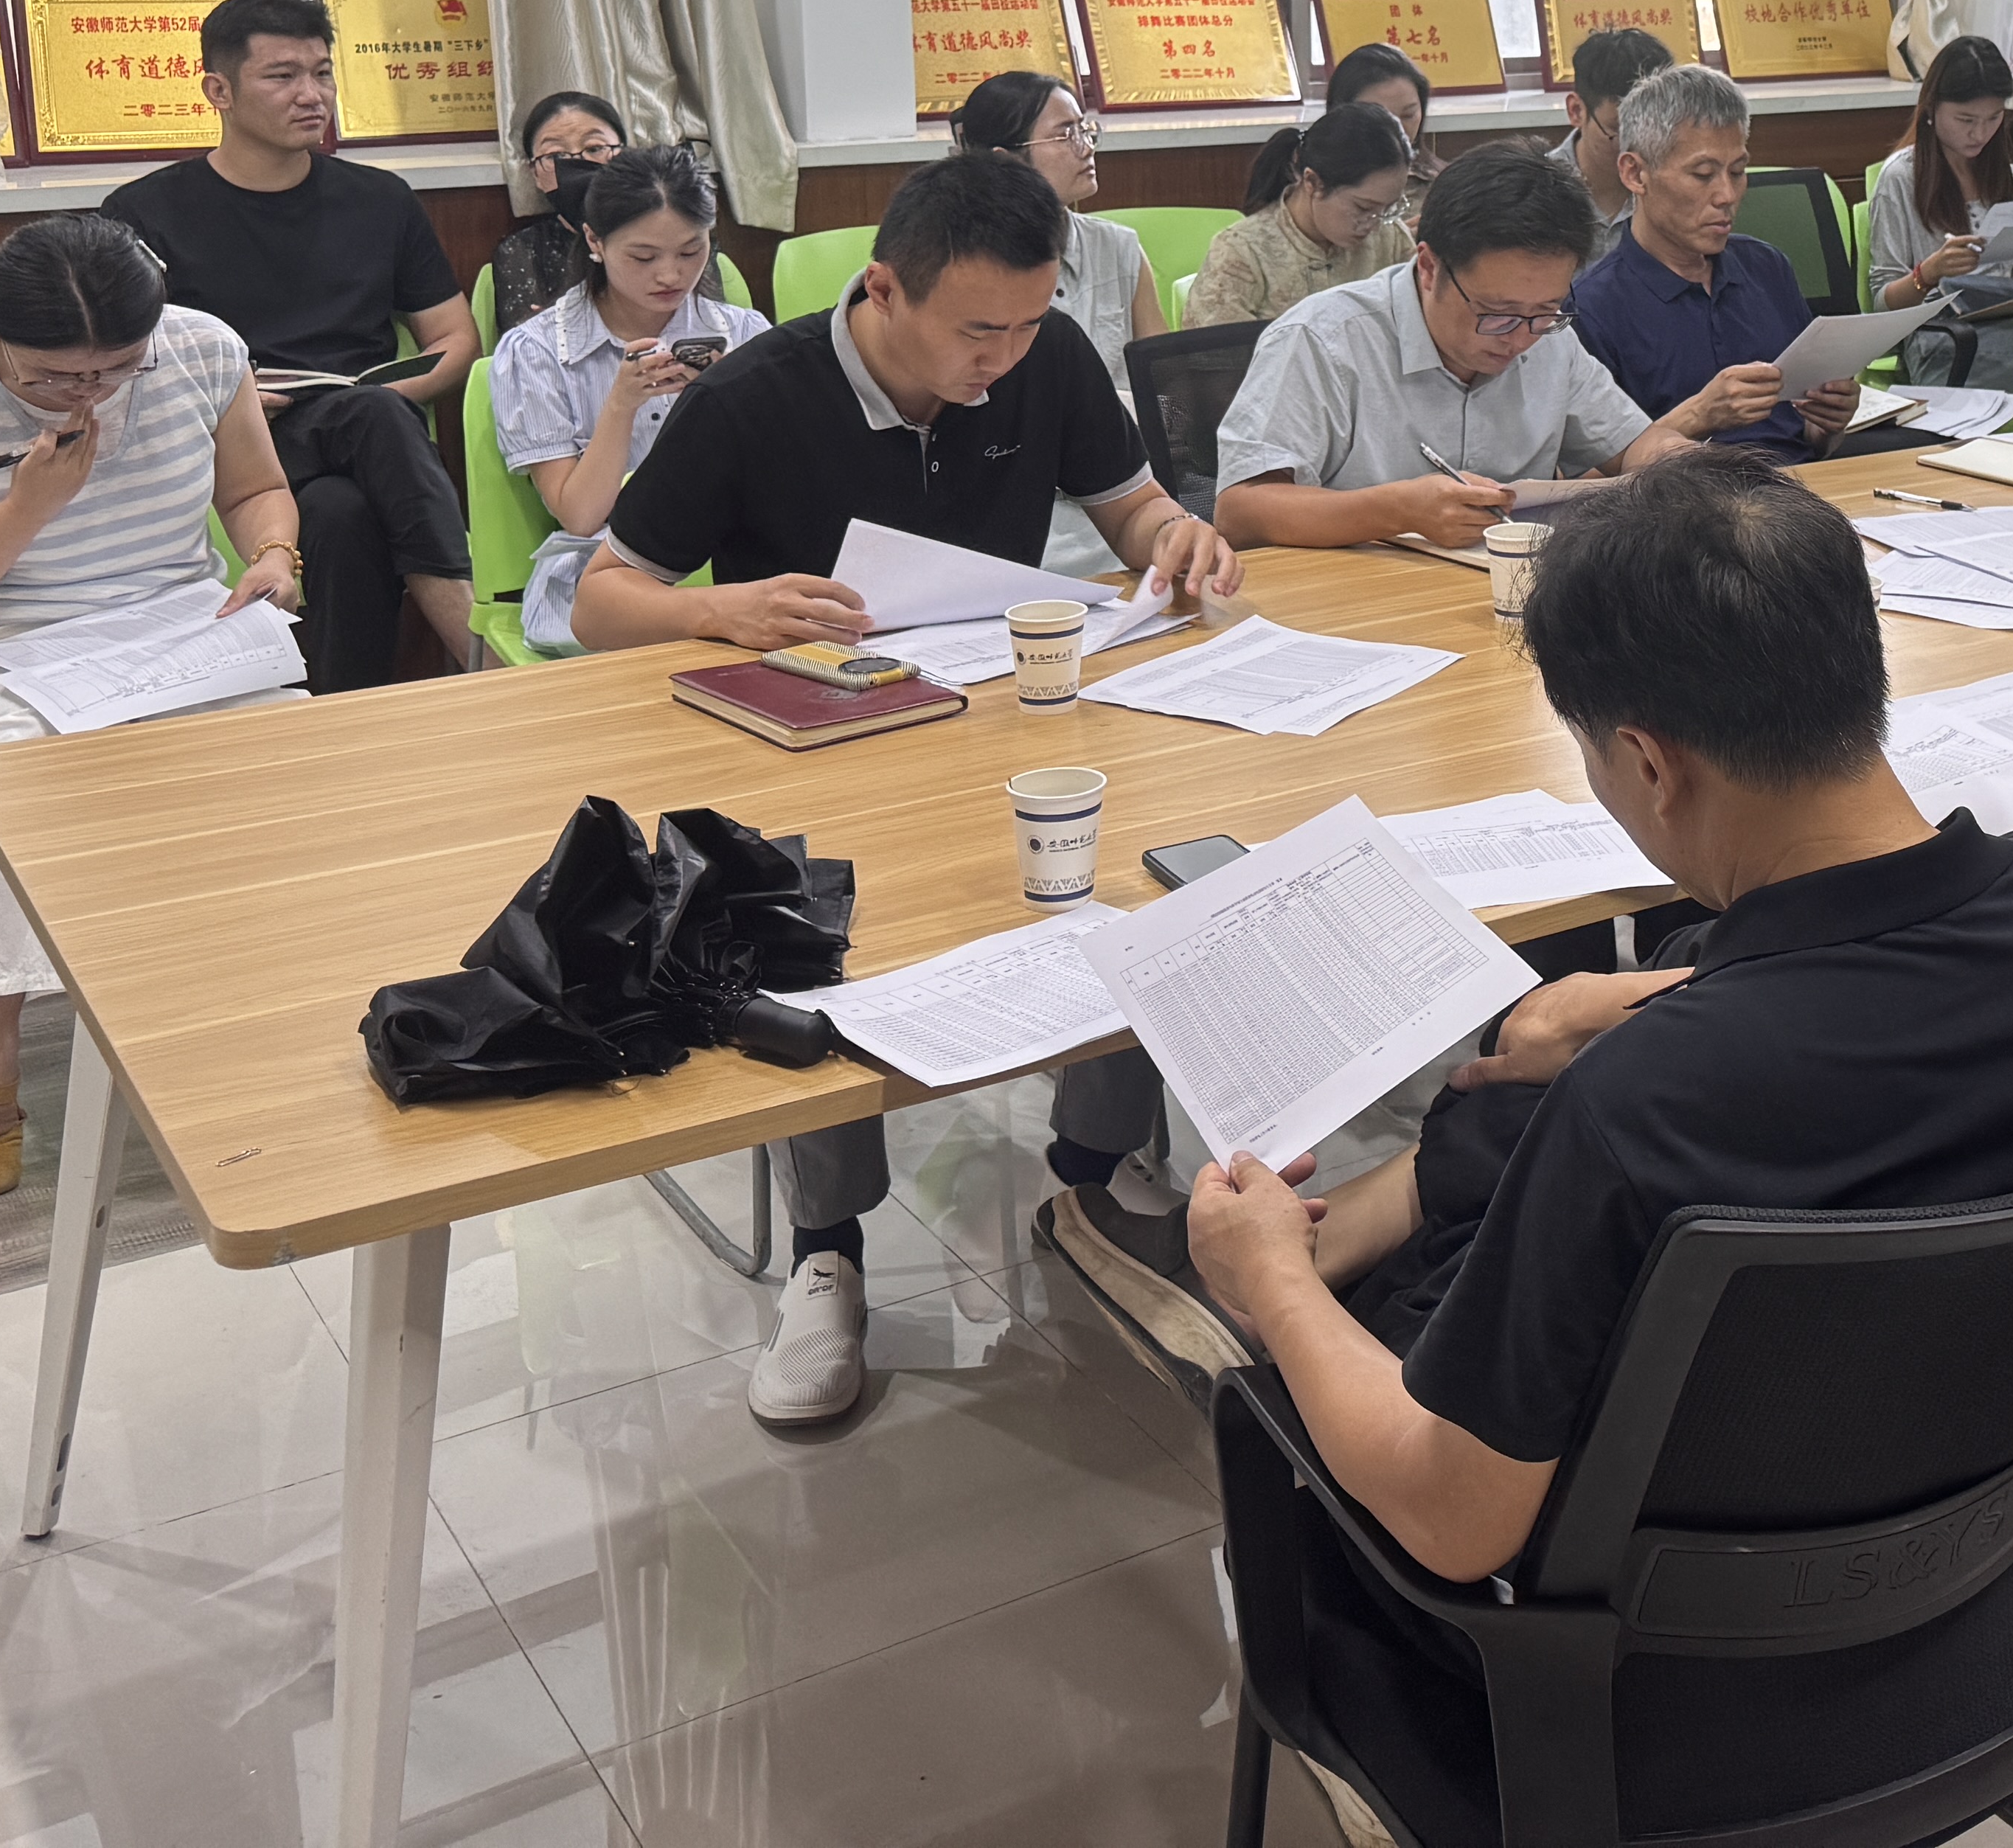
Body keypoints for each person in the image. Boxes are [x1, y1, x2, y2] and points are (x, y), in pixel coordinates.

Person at [1151, 457, 2013, 1604]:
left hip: (1659, 1646)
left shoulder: (1647, 1100)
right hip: (2003, 1570)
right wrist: (1664, 996)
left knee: (1398, 1249)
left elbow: (1453, 1519)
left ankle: (1287, 1257)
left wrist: (1271, 1280)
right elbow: (1860, 1000)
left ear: (1648, 762)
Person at [571, 150, 1241, 1421]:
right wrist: (721, 608)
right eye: (979, 331)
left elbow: (1131, 505)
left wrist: (1177, 537)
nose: (1007, 357)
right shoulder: (755, 394)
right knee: (801, 932)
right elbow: (600, 600)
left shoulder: (1043, 357)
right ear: (883, 289)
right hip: (809, 745)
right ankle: (827, 1248)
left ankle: (1097, 1170)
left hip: (999, 711)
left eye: (1032, 323)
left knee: (1124, 867)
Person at [0, 216, 304, 1199]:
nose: (92, 391)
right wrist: (28, 508)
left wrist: (274, 555)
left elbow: (257, 489)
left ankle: (257, 1018)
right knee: (19, 780)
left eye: (118, 368)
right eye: (59, 375)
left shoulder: (201, 349)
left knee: (290, 758)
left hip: (173, 632)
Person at [102, 0, 476, 690]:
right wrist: (230, 399)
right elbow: (121, 361)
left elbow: (455, 337)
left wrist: (390, 399)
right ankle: (471, 644)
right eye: (283, 76)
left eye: (322, 73)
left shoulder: (381, 200)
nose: (312, 95)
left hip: (364, 431)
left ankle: (335, 717)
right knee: (369, 428)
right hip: (239, 444)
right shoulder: (144, 213)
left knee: (339, 510)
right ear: (219, 91)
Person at [1209, 144, 1725, 552]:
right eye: (1496, 313)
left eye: (1546, 310)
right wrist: (1396, 511)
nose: (1520, 338)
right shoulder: (1323, 339)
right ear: (1429, 267)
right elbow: (1240, 511)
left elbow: (1634, 445)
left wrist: (1685, 465)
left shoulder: (1548, 339)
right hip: (1353, 606)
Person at [485, 149, 769, 655]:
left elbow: (781, 484)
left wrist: (727, 400)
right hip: (605, 583)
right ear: (594, 241)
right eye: (644, 257)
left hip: (734, 567)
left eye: (691, 251)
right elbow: (580, 516)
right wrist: (621, 405)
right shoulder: (536, 351)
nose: (670, 276)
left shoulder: (746, 334)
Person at [1568, 63, 1861, 462]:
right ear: (1635, 174)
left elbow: (1807, 441)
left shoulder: (1767, 267)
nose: (1727, 195)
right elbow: (1590, 478)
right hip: (1684, 494)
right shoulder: (1592, 307)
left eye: (1737, 172)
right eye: (1703, 174)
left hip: (1802, 484)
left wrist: (1828, 422)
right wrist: (1700, 416)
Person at [956, 69, 1157, 575]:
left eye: (1085, 129)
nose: (1086, 146)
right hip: (1016, 512)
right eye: (1065, 134)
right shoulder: (961, 268)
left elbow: (1167, 402)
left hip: (1119, 500)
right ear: (1004, 162)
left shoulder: (1120, 249)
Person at [1864, 35, 2013, 389]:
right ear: (1931, 109)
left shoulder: (2011, 179)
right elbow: (1882, 307)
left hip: (2008, 333)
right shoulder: (1901, 178)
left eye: (1993, 118)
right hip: (1943, 339)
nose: (1980, 133)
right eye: (1966, 119)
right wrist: (1929, 273)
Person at [1189, 102, 1416, 330]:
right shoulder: (1243, 252)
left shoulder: (1392, 238)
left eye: (1388, 209)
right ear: (1313, 182)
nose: (1375, 225)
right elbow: (1214, 349)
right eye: (1363, 208)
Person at [486, 91, 628, 337]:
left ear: (624, 157)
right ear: (535, 174)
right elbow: (527, 345)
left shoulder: (663, 234)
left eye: (595, 148)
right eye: (555, 156)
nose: (577, 164)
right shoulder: (522, 250)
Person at [1245, 40, 1438, 217]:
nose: (1398, 131)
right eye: (1380, 118)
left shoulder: (1437, 183)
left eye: (1409, 115)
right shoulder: (1307, 185)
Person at [1540, 23, 1671, 263]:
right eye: (1620, 130)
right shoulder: (1537, 194)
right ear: (1577, 111)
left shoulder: (1673, 186)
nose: (1640, 147)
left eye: (1654, 129)